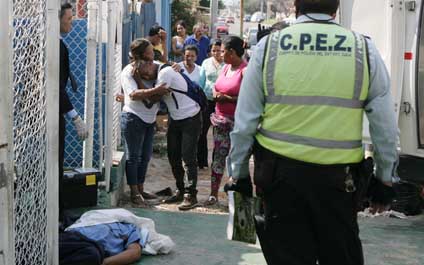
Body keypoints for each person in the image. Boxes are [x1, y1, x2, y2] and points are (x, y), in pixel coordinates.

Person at [226, 0, 398, 264]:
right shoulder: (364, 49)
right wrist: (384, 178)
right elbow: (384, 126)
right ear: (337, 7)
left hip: (280, 181)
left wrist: (238, 174)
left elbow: (244, 123)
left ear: (296, 5)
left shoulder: (268, 48)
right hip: (339, 185)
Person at [120, 38, 170, 205]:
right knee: (133, 156)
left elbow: (155, 95)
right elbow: (133, 94)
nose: (152, 52)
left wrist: (174, 67)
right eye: (149, 50)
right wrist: (155, 90)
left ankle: (141, 189)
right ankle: (134, 193)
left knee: (146, 156)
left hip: (149, 119)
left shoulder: (155, 67)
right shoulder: (129, 71)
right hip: (133, 117)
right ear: (141, 54)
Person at [205, 36, 247, 206]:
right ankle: (213, 194)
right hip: (220, 121)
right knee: (218, 157)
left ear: (231, 52)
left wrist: (228, 98)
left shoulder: (245, 71)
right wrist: (216, 94)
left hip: (237, 123)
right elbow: (217, 86)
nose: (221, 55)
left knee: (236, 159)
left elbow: (248, 97)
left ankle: (234, 195)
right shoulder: (225, 68)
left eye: (223, 51)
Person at [156, 65, 202, 211]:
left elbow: (154, 97)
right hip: (175, 118)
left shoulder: (165, 72)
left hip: (190, 117)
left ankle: (190, 195)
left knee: (188, 157)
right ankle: (181, 190)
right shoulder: (157, 72)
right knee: (173, 155)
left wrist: (132, 93)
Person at [59, 3, 88, 213]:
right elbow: (56, 87)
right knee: (56, 162)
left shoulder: (56, 43)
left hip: (49, 113)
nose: (72, 22)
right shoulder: (56, 46)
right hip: (53, 114)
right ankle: (57, 214)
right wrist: (75, 117)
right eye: (69, 18)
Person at [197, 38, 224, 170]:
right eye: (214, 50)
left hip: (221, 103)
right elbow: (201, 82)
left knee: (218, 134)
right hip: (207, 101)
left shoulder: (227, 65)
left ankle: (216, 162)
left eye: (219, 50)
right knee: (202, 131)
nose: (216, 53)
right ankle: (201, 161)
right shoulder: (206, 63)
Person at [66, 222, 148, 265]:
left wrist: (104, 262)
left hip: (91, 249)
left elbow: (134, 252)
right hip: (71, 237)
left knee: (91, 255)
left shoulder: (131, 228)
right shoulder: (97, 217)